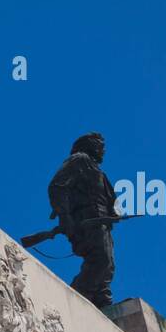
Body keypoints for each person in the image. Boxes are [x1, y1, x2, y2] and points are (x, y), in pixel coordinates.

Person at [48, 132, 119, 308]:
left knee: (108, 265)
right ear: (88, 146)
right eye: (99, 145)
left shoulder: (97, 170)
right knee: (101, 259)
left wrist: (113, 211)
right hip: (86, 221)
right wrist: (65, 216)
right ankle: (77, 297)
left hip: (102, 223)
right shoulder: (79, 160)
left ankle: (103, 301)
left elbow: (108, 199)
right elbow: (56, 186)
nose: (103, 150)